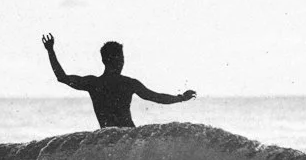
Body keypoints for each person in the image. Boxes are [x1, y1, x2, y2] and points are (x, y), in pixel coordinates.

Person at [42, 33, 196, 128]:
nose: (123, 61)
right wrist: (181, 98)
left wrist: (50, 51)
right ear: (118, 60)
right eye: (121, 57)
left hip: (108, 141)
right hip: (129, 139)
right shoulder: (129, 83)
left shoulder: (93, 84)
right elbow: (156, 97)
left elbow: (61, 77)